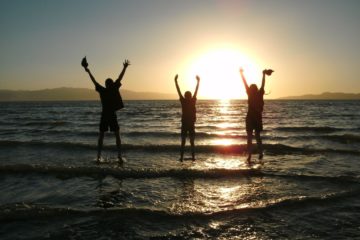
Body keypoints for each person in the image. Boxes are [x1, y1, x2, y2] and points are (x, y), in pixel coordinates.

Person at [82, 57, 130, 163]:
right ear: (112, 84)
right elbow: (120, 78)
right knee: (117, 135)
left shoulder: (102, 90)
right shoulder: (113, 89)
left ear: (105, 84)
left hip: (104, 115)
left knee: (102, 136)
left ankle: (99, 157)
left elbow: (94, 80)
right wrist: (125, 67)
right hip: (112, 115)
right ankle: (119, 157)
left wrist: (88, 71)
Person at [240, 68, 273, 164]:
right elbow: (263, 83)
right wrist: (263, 74)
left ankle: (250, 156)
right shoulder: (259, 93)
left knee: (250, 137)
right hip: (257, 118)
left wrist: (241, 73)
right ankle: (260, 153)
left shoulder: (250, 94)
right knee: (257, 136)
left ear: (251, 89)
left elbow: (244, 82)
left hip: (250, 118)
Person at [174, 74, 200, 161]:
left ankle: (182, 158)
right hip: (189, 124)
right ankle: (192, 158)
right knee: (191, 142)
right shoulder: (192, 101)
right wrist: (198, 81)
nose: (187, 97)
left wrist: (176, 81)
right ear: (189, 96)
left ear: (185, 96)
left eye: (186, 95)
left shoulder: (184, 101)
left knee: (184, 142)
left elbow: (178, 90)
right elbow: (196, 90)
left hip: (186, 124)